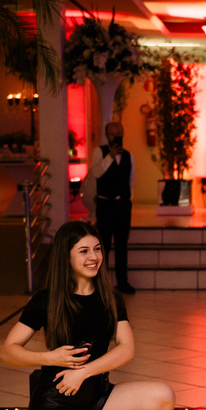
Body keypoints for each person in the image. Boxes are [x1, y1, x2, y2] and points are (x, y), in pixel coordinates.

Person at [2, 221, 175, 410]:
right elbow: (8, 350)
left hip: (96, 399)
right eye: (83, 251)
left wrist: (83, 372)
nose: (93, 257)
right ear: (66, 256)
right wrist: (50, 357)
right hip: (55, 408)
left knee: (163, 396)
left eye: (97, 249)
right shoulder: (46, 300)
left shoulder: (110, 298)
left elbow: (126, 348)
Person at [90, 121, 136, 294]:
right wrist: (110, 156)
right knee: (104, 246)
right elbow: (96, 173)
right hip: (105, 205)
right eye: (113, 134)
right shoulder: (99, 152)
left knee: (122, 245)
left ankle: (122, 282)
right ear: (107, 136)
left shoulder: (129, 156)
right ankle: (101, 284)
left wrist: (127, 200)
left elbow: (131, 180)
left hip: (122, 205)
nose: (116, 137)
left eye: (119, 134)